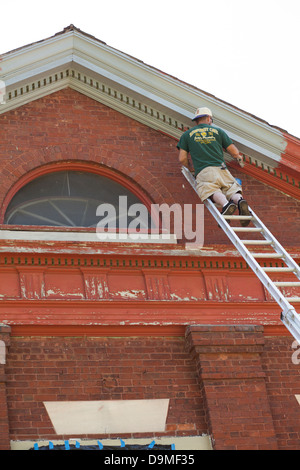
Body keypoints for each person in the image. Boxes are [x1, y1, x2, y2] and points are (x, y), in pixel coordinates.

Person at [177, 106, 251, 226]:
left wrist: (190, 167)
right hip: (222, 169)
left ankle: (226, 205)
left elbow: (182, 158)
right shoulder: (219, 132)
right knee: (231, 189)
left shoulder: (187, 135)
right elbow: (234, 152)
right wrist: (239, 157)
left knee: (210, 189)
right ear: (208, 118)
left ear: (196, 120)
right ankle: (240, 201)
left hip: (204, 170)